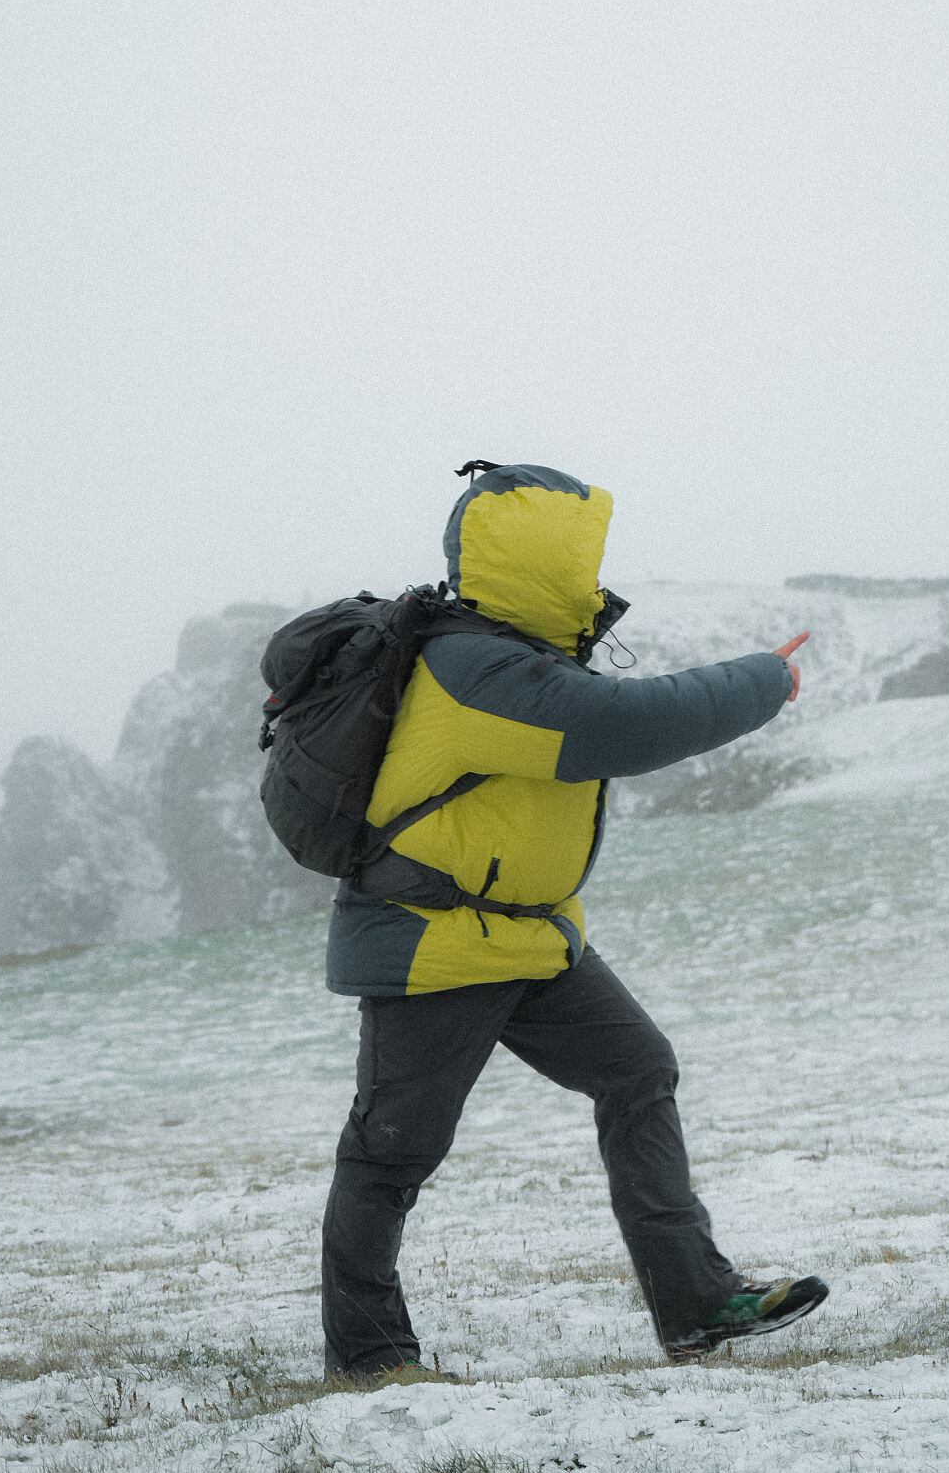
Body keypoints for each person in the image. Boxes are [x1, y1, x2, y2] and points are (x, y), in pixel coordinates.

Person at [321, 462, 827, 1381]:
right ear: (537, 560)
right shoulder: (473, 668)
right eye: (582, 559)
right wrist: (764, 679)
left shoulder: (516, 659)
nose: (595, 580)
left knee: (638, 1070)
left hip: (526, 936)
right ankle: (368, 1359)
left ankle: (699, 1306)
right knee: (391, 1154)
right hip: (432, 943)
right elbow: (623, 727)